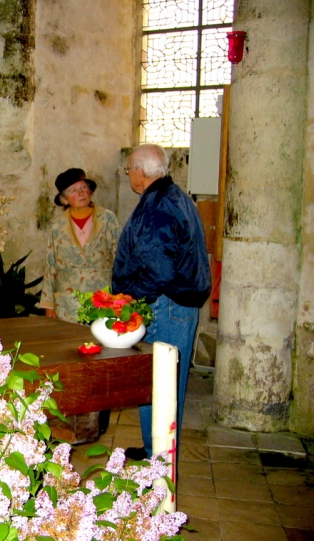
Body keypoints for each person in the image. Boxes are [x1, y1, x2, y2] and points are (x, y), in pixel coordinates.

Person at [112, 144, 211, 461]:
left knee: (165, 382)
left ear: (140, 172)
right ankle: (155, 447)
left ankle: (163, 456)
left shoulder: (158, 207)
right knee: (151, 377)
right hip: (168, 302)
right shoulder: (173, 196)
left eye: (129, 169)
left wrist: (129, 297)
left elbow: (159, 270)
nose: (129, 175)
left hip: (166, 305)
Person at [40, 168, 121, 437]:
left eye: (84, 187)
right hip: (68, 303)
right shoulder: (56, 227)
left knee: (102, 357)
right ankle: (70, 414)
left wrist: (120, 299)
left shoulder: (108, 219)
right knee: (70, 356)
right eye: (75, 190)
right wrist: (49, 305)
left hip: (102, 299)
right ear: (64, 199)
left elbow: (120, 259)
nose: (82, 193)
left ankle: (99, 415)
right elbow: (49, 265)